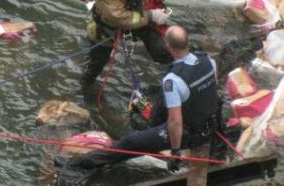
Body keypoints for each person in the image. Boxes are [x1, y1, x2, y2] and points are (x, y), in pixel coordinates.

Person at [66, 26, 219, 172]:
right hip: (211, 124)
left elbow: (175, 122)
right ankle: (144, 113)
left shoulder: (172, 80)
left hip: (191, 134)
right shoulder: (208, 61)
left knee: (129, 142)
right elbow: (211, 93)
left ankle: (76, 164)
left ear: (167, 45)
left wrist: (175, 153)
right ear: (187, 42)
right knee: (152, 106)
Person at [80, 0, 173, 90]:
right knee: (95, 66)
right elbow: (122, 19)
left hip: (137, 12)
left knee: (162, 48)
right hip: (107, 29)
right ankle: (85, 87)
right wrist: (151, 16)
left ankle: (175, 73)